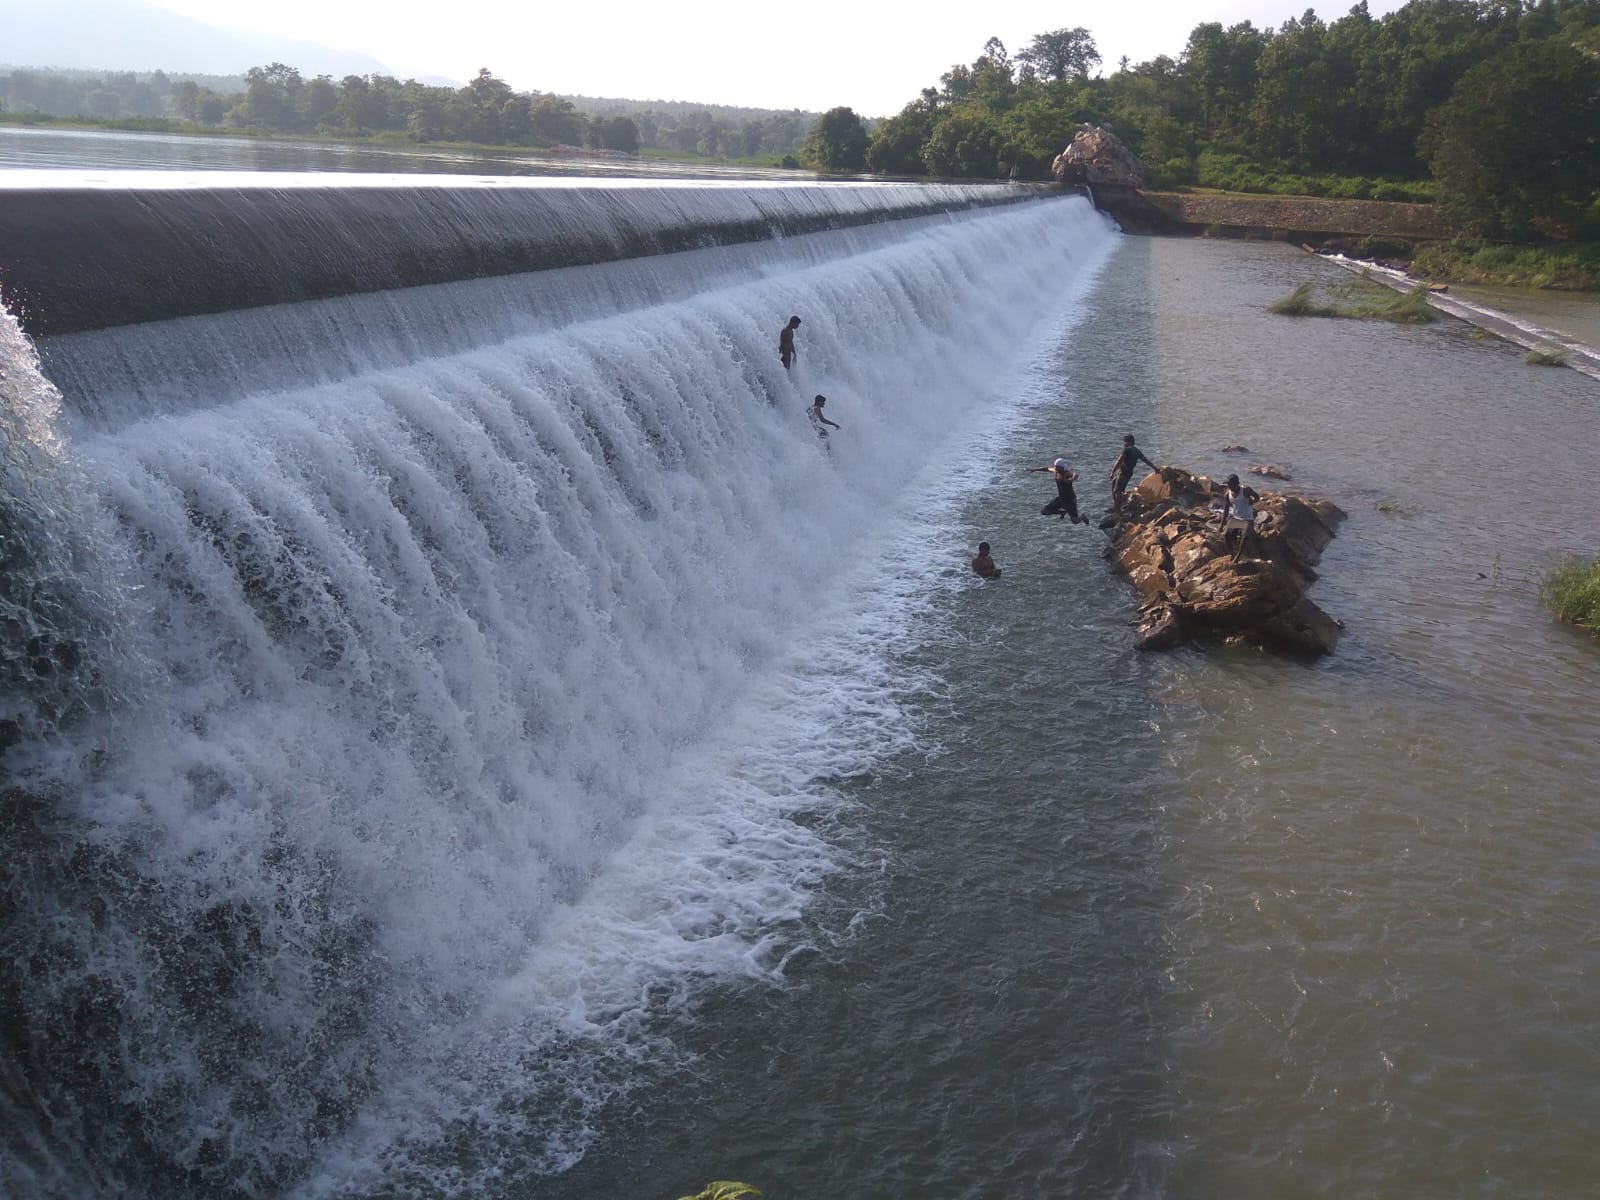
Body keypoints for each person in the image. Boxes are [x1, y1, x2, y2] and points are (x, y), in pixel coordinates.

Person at [1026, 458, 1090, 524]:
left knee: (1075, 521)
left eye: (1058, 468)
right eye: (1056, 467)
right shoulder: (1056, 471)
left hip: (1070, 499)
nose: (1056, 469)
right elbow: (1047, 468)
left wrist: (1072, 478)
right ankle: (1062, 512)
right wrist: (1034, 469)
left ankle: (1082, 517)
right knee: (1044, 511)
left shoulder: (1067, 473)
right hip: (1061, 498)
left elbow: (1076, 475)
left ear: (1062, 467)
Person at [1215, 473, 1262, 561]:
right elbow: (1226, 509)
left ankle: (1238, 556)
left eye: (1230, 484)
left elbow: (1257, 497)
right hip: (1236, 518)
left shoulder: (1245, 490)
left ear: (1236, 484)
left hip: (1247, 518)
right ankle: (1232, 554)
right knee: (1226, 536)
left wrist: (1253, 501)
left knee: (1245, 538)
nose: (1228, 486)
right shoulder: (1227, 494)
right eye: (1228, 484)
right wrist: (1221, 524)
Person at [1108, 434, 1158, 512]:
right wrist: (1155, 468)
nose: (1123, 444)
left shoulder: (1127, 450)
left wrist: (1112, 472)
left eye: (1125, 442)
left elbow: (1119, 461)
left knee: (1117, 491)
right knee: (1115, 486)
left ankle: (1118, 509)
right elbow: (1146, 460)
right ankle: (1116, 506)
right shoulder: (1137, 451)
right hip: (1128, 473)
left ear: (1129, 442)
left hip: (1123, 472)